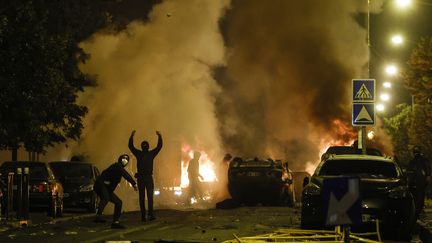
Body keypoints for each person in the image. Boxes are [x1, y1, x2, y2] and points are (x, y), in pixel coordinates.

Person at [93, 154, 137, 229]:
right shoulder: (117, 166)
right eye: (123, 158)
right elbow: (126, 175)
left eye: (127, 159)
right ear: (120, 159)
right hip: (101, 185)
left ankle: (115, 222)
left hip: (107, 188)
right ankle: (98, 216)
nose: (125, 160)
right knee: (105, 198)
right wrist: (133, 183)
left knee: (118, 202)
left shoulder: (119, 169)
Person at [129, 130, 163, 221]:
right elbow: (159, 147)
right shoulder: (151, 154)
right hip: (147, 177)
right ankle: (150, 215)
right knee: (150, 197)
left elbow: (131, 146)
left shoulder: (139, 154)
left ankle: (143, 216)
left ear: (142, 147)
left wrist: (131, 136)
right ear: (148, 147)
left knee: (142, 197)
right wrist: (159, 136)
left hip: (141, 177)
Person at [408, 146, 431, 218]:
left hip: (419, 183)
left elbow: (427, 170)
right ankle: (417, 211)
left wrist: (427, 176)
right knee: (418, 198)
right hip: (417, 183)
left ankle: (417, 211)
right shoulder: (413, 161)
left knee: (419, 198)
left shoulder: (421, 161)